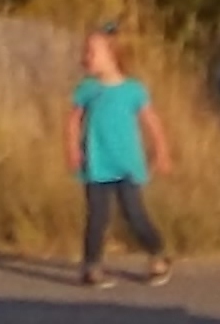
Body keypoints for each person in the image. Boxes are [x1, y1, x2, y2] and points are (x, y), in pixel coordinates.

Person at [69, 22, 172, 286]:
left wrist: (161, 150)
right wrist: (72, 149)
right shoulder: (87, 89)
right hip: (96, 164)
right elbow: (73, 121)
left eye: (92, 52)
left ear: (112, 54)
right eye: (85, 51)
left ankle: (157, 254)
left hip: (127, 165)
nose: (86, 57)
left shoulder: (133, 90)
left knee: (134, 215)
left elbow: (152, 121)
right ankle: (91, 267)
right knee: (97, 218)